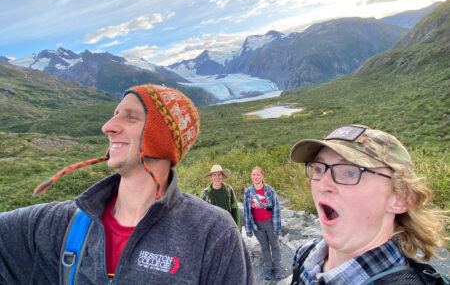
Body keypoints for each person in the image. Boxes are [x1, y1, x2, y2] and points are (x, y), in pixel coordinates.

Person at [0, 84, 255, 284]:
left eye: (131, 117)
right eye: (115, 115)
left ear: (163, 139)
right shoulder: (59, 224)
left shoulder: (213, 233)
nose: (108, 127)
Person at [289, 124, 448, 284]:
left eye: (350, 172)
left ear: (401, 198)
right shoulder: (306, 253)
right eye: (318, 169)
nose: (323, 185)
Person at [244, 166, 282, 280]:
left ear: (262, 176)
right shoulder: (248, 192)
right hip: (257, 225)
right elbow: (247, 211)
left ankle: (278, 267)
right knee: (264, 247)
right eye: (254, 174)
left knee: (275, 245)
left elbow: (276, 209)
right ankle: (268, 268)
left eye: (258, 174)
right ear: (251, 176)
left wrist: (277, 228)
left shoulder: (270, 190)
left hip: (270, 223)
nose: (256, 177)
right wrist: (249, 229)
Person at [201, 164, 241, 229]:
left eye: (219, 174)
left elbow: (235, 209)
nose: (217, 177)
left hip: (229, 227)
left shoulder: (228, 189)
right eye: (214, 175)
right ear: (211, 177)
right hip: (214, 230)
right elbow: (202, 215)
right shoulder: (205, 193)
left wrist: (238, 229)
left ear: (222, 176)